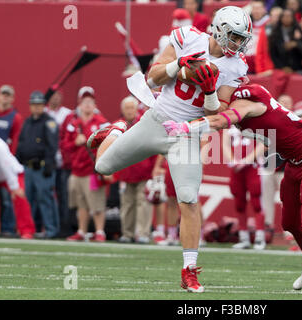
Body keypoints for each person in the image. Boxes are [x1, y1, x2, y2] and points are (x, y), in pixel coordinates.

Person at [86, 6, 253, 293]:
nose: (239, 44)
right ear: (220, 29)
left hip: (186, 134)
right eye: (236, 37)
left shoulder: (236, 66)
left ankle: (189, 270)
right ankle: (117, 130)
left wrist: (210, 90)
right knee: (102, 167)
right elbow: (152, 77)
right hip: (157, 119)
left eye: (242, 39)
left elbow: (219, 115)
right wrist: (180, 66)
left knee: (188, 200)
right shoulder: (188, 37)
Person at [162, 83, 302, 297]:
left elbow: (219, 121)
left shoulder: (248, 101)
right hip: (294, 161)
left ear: (232, 85)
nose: (215, 95)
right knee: (290, 223)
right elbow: (215, 115)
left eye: (218, 90)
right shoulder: (238, 103)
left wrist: (186, 126)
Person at [64, 87, 110, 242]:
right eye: (85, 102)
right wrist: (75, 143)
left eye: (90, 102)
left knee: (96, 203)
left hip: (93, 170)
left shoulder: (102, 123)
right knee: (81, 203)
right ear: (80, 105)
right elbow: (65, 145)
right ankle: (82, 231)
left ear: (95, 104)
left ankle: (99, 231)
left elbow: (110, 144)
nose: (88, 105)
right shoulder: (73, 124)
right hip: (77, 170)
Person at [16, 91, 59, 239]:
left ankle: (51, 229)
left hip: (42, 168)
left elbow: (52, 146)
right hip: (27, 167)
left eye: (39, 105)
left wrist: (48, 164)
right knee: (28, 200)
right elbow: (21, 143)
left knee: (45, 199)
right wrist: (18, 162)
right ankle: (30, 229)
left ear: (43, 106)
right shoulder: (27, 122)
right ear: (30, 106)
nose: (36, 107)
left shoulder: (49, 122)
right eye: (34, 105)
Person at [114, 96, 154, 244]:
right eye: (127, 108)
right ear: (122, 110)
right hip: (125, 171)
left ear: (136, 109)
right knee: (127, 204)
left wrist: (154, 168)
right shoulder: (118, 125)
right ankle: (127, 233)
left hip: (144, 169)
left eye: (132, 107)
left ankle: (143, 233)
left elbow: (152, 145)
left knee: (143, 203)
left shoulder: (144, 123)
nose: (129, 111)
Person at [223, 126, 266, 250]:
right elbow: (225, 144)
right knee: (239, 202)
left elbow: (264, 143)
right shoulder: (230, 123)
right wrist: (232, 161)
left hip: (254, 167)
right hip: (236, 169)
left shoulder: (257, 121)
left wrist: (246, 160)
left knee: (257, 201)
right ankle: (243, 237)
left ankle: (260, 237)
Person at [45, 90, 72, 237]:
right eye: (53, 95)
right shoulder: (44, 113)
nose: (55, 97)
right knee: (47, 195)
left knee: (63, 195)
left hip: (62, 161)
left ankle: (63, 226)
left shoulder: (67, 113)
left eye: (58, 95)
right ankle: (48, 226)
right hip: (48, 161)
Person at [0, 136, 35, 239]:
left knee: (19, 197)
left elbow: (6, 166)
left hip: (12, 173)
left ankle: (26, 230)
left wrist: (14, 187)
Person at [0, 84, 23, 236]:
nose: (5, 97)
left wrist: (10, 160)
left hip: (5, 162)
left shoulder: (15, 117)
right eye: (3, 94)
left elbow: (15, 139)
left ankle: (7, 228)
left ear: (12, 99)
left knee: (7, 199)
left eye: (8, 95)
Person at [268, 9, 302, 73]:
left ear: (293, 18)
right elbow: (273, 54)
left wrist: (296, 43)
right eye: (284, 16)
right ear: (281, 18)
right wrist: (282, 67)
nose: (286, 18)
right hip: (280, 68)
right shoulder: (275, 33)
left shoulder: (299, 31)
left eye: (289, 16)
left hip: (297, 68)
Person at [245, 0, 270, 74]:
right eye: (254, 8)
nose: (256, 11)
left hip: (263, 65)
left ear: (264, 9)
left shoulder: (269, 24)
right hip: (247, 65)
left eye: (258, 8)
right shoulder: (247, 25)